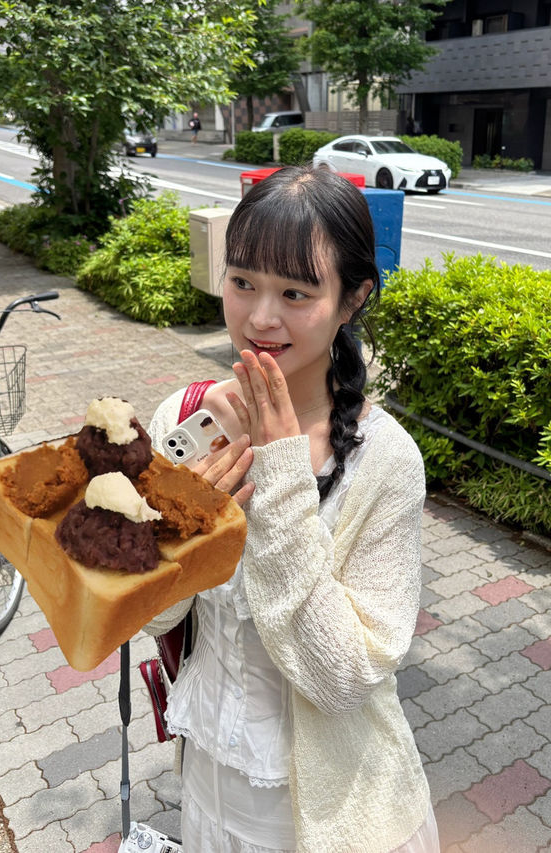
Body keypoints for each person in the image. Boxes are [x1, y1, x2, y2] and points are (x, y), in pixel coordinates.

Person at [144, 166, 439, 853]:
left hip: (336, 817)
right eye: (243, 281)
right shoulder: (185, 418)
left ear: (352, 299)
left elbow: (342, 678)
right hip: (209, 794)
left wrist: (278, 479)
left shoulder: (384, 461)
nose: (260, 318)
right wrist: (182, 533)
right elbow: (149, 615)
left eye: (296, 293)